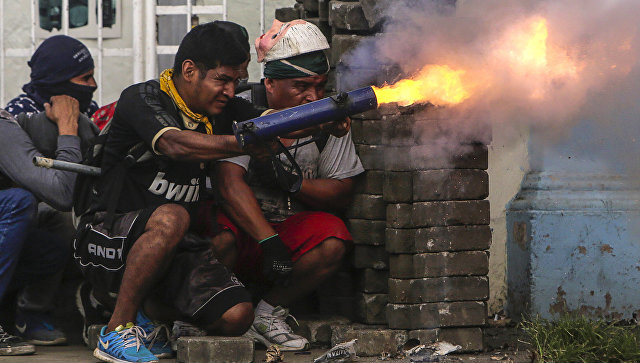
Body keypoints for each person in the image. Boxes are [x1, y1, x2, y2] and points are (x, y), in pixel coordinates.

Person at [72, 21, 288, 363]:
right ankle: (115, 328)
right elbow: (174, 144)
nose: (232, 91)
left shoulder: (225, 110)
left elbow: (273, 120)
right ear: (189, 70)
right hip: (106, 238)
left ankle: (153, 321)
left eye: (237, 81)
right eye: (222, 79)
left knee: (236, 316)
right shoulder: (141, 98)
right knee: (173, 216)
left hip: (174, 246)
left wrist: (323, 119)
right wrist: (243, 142)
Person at [212, 20, 364, 352]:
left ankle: (267, 313)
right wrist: (268, 242)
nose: (313, 97)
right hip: (240, 234)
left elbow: (341, 191)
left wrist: (293, 184)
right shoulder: (239, 108)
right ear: (269, 84)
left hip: (286, 233)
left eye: (320, 86)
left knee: (333, 236)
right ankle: (207, 311)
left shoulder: (328, 118)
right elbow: (228, 184)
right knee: (216, 237)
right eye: (300, 86)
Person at [0, 95, 90, 353]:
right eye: (85, 78)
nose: (93, 86)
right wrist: (69, 130)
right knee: (19, 202)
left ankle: (28, 315)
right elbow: (63, 193)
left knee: (51, 251)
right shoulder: (4, 127)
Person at [5, 35, 99, 117]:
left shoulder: (90, 110)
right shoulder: (20, 116)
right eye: (86, 78)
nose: (93, 85)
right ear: (58, 82)